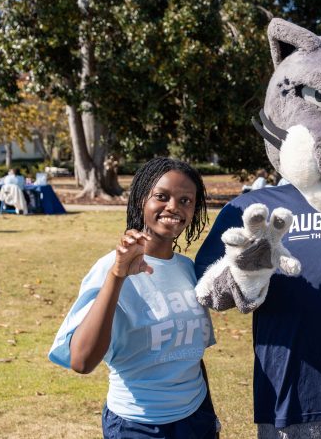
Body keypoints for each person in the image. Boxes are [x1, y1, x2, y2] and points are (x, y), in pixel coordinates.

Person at [49, 157, 219, 438]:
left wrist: (209, 421)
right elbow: (81, 361)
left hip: (195, 417)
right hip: (137, 425)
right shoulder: (108, 268)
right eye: (162, 197)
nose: (174, 208)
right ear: (141, 200)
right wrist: (117, 276)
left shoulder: (189, 269)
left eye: (186, 200)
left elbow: (192, 360)